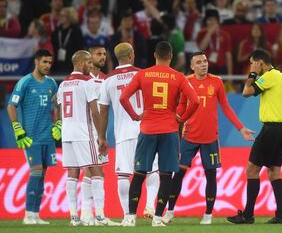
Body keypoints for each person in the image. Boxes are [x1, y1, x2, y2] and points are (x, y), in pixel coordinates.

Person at [162, 52, 255, 225]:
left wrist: (241, 128)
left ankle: (208, 214)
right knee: (179, 174)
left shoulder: (217, 81)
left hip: (210, 138)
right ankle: (170, 211)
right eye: (199, 62)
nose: (203, 64)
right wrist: (174, 122)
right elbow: (181, 105)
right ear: (192, 66)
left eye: (205, 61)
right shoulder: (186, 81)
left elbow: (226, 107)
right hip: (189, 137)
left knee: (210, 176)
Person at [116, 41, 199, 226]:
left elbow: (123, 97)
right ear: (170, 56)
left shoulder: (143, 74)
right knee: (165, 175)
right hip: (169, 131)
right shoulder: (178, 77)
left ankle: (129, 218)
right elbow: (195, 101)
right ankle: (158, 218)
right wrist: (181, 118)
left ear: (155, 55)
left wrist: (135, 115)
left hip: (147, 129)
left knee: (138, 174)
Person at [227, 49, 282, 224]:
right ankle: (280, 215)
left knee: (252, 170)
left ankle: (248, 215)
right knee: (274, 172)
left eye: (252, 62)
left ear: (260, 62)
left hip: (272, 129)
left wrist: (253, 73)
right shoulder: (280, 76)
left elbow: (246, 92)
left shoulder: (269, 76)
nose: (251, 65)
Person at [98, 42, 160, 222]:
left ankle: (127, 216)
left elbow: (103, 111)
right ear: (132, 55)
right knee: (153, 170)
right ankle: (150, 205)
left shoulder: (107, 80)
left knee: (124, 174)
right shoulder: (144, 74)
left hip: (123, 133)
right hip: (147, 129)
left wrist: (102, 137)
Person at [57, 50, 119, 226]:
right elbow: (95, 111)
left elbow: (60, 111)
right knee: (97, 171)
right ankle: (100, 216)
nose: (91, 66)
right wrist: (101, 137)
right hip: (85, 133)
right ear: (81, 63)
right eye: (89, 62)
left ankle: (74, 217)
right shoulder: (87, 82)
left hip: (67, 133)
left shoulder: (63, 84)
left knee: (73, 173)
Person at [7, 49, 60, 224]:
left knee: (43, 175)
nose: (47, 66)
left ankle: (36, 214)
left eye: (50, 63)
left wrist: (58, 123)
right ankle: (28, 215)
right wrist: (17, 127)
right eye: (44, 62)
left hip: (47, 136)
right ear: (36, 62)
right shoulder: (25, 82)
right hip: (31, 136)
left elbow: (57, 104)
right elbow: (11, 105)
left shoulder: (52, 83)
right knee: (36, 171)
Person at [79, 45, 108, 225]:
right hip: (86, 132)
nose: (102, 57)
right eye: (99, 54)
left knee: (95, 171)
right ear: (90, 57)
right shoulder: (82, 79)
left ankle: (88, 214)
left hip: (100, 132)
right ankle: (88, 213)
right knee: (94, 170)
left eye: (104, 54)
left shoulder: (106, 79)